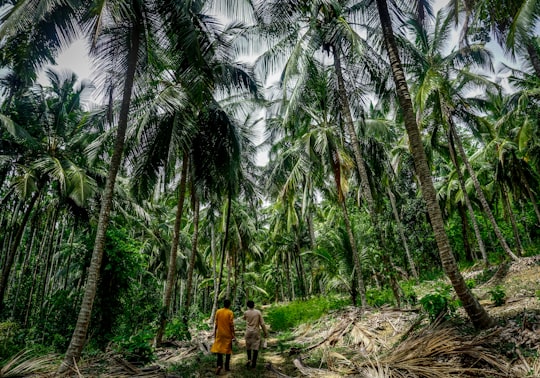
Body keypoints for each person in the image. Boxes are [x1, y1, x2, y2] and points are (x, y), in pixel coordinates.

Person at [210, 299, 236, 375]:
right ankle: (227, 367)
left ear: (223, 304)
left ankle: (219, 365)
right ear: (229, 305)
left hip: (220, 333)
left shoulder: (218, 311)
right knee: (228, 350)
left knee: (219, 350)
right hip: (227, 334)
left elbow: (216, 323)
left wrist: (214, 332)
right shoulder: (230, 312)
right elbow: (231, 325)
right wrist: (233, 333)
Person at [243, 299, 268, 369]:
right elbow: (262, 323)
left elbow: (244, 318)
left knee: (248, 346)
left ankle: (249, 359)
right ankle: (253, 363)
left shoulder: (246, 312)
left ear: (247, 306)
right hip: (256, 332)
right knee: (255, 347)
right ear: (254, 305)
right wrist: (265, 332)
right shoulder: (258, 312)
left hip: (248, 332)